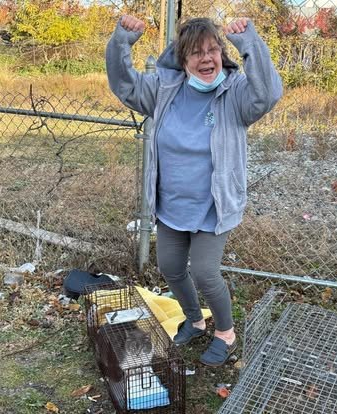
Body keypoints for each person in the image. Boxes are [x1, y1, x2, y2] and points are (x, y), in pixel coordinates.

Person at [106, 14, 282, 367]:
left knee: (204, 270)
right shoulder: (164, 89)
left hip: (213, 206)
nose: (207, 58)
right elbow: (124, 85)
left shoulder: (235, 93)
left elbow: (267, 94)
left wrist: (249, 43)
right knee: (170, 266)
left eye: (213, 50)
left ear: (221, 54)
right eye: (197, 53)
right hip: (172, 204)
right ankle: (196, 319)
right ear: (182, 60)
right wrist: (122, 42)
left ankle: (226, 333)